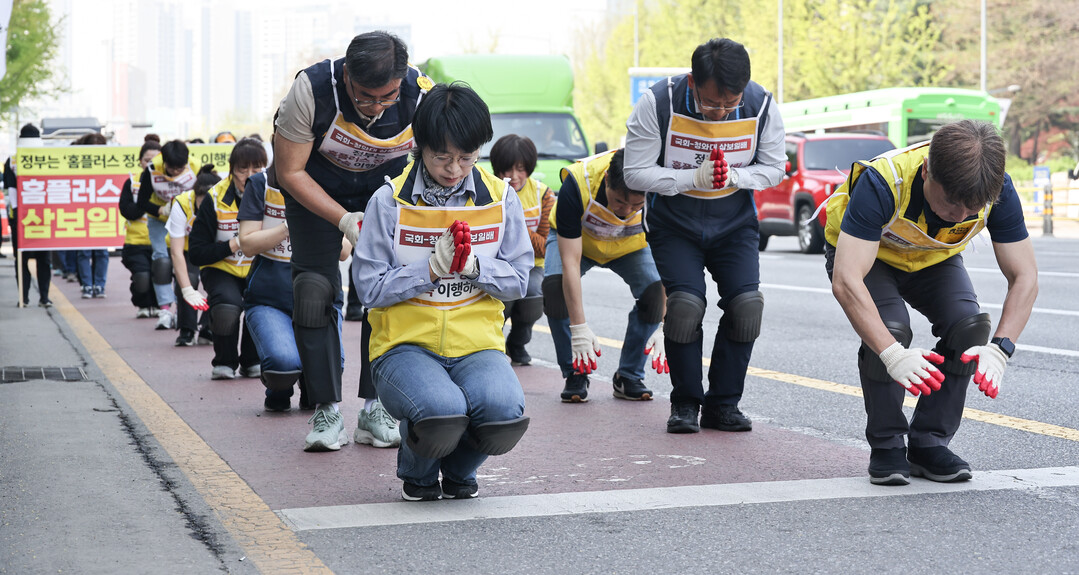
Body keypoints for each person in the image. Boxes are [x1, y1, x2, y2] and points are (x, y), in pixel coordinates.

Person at [826, 119, 1037, 485]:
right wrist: (892, 353)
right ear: (927, 171)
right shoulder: (883, 181)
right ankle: (888, 443)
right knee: (891, 330)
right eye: (951, 202)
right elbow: (847, 280)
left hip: (930, 258)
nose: (960, 215)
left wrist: (1001, 349)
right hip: (867, 258)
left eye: (973, 208)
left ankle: (928, 443)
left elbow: (1025, 277)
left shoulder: (996, 188)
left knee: (969, 327)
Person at [354, 82, 532, 500]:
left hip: (478, 345)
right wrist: (428, 270)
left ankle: (456, 469)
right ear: (420, 146)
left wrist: (473, 267)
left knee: (505, 415)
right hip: (404, 346)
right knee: (441, 412)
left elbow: (519, 278)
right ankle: (417, 474)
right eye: (442, 157)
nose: (454, 169)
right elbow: (368, 288)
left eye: (466, 158)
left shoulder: (500, 199)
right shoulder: (388, 202)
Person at [274, 30, 429, 450]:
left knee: (386, 293)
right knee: (312, 291)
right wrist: (342, 219)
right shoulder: (310, 90)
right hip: (316, 193)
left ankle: (375, 406)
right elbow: (289, 171)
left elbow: (435, 161)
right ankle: (326, 410)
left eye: (386, 97)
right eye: (364, 97)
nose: (376, 108)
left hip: (383, 194)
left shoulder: (419, 92)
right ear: (346, 76)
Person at [624, 37, 786, 434]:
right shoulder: (657, 101)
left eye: (730, 105)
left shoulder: (761, 105)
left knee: (747, 306)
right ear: (693, 81)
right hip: (675, 223)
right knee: (685, 307)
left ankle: (724, 405)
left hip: (733, 222)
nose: (720, 114)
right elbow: (634, 172)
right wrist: (688, 178)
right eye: (713, 104)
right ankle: (685, 404)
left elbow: (774, 168)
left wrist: (735, 176)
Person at [542, 148, 663, 404]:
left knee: (655, 294)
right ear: (607, 179)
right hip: (579, 244)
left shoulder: (660, 186)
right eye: (619, 201)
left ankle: (629, 375)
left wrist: (665, 319)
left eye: (636, 205)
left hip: (629, 245)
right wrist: (579, 328)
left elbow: (670, 258)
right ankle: (576, 370)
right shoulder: (578, 182)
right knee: (555, 289)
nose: (625, 211)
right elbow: (571, 263)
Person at [237, 160, 356, 416]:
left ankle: (310, 385)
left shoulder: (331, 181)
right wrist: (292, 224)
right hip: (270, 299)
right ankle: (278, 387)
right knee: (282, 367)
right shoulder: (261, 184)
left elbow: (345, 251)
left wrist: (320, 218)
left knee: (330, 373)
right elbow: (247, 244)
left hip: (320, 301)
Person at [187, 139, 264, 380]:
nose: (249, 176)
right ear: (232, 169)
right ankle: (224, 361)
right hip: (221, 268)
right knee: (227, 307)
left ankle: (252, 360)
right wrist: (233, 244)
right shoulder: (214, 197)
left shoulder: (274, 194)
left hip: (259, 267)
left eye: (257, 169)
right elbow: (197, 252)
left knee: (260, 305)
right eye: (243, 169)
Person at [490, 134, 555, 366]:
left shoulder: (544, 194)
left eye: (521, 169)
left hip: (531, 266)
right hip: (495, 263)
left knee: (533, 294)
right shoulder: (487, 190)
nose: (514, 177)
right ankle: (491, 346)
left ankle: (517, 343)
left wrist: (514, 225)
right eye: (507, 170)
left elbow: (544, 246)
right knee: (501, 298)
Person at [137, 139, 200, 330]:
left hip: (187, 222)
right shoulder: (152, 169)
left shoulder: (196, 168)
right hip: (160, 220)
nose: (175, 172)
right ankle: (165, 309)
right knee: (162, 260)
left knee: (185, 263)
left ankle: (184, 310)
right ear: (163, 161)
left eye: (179, 168)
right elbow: (141, 201)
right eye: (171, 168)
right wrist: (160, 210)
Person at [166, 165, 218, 346]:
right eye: (201, 205)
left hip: (213, 249)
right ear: (195, 196)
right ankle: (186, 329)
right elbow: (176, 252)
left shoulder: (226, 203)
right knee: (188, 279)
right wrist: (187, 289)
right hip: (186, 249)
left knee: (220, 283)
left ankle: (208, 327)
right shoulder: (180, 203)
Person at [6, 124, 52, 307]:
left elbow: (11, 192)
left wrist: (17, 216)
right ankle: (44, 297)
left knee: (22, 259)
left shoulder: (12, 160)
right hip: (43, 216)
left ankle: (23, 298)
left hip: (21, 217)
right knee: (44, 259)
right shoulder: (48, 158)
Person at [119, 136, 163, 318]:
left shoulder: (169, 184)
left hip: (162, 243)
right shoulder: (132, 182)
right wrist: (145, 202)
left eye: (155, 161)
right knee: (142, 278)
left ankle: (161, 306)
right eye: (147, 161)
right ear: (140, 161)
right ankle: (143, 304)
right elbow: (126, 210)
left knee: (161, 276)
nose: (150, 165)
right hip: (136, 243)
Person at [73, 133, 111, 299]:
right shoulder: (77, 166)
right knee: (84, 251)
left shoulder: (110, 165)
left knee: (102, 252)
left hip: (103, 214)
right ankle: (87, 285)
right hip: (82, 213)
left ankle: (100, 285)